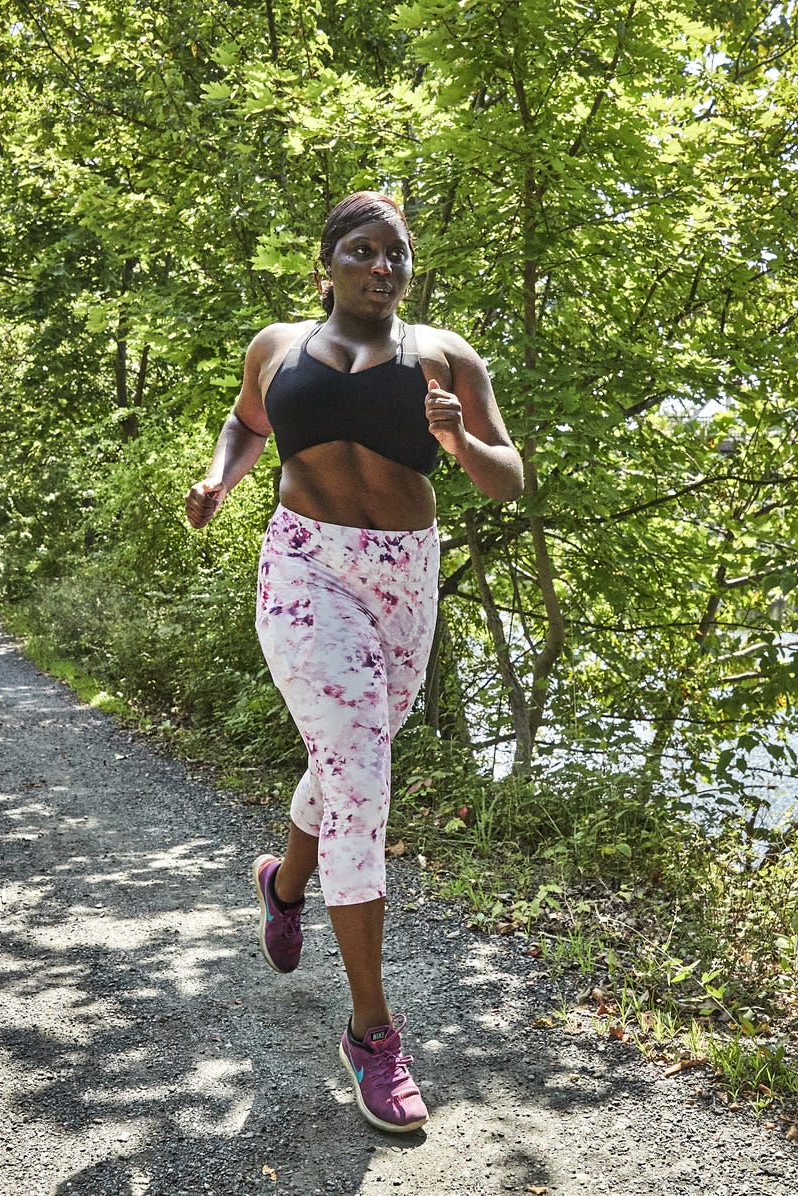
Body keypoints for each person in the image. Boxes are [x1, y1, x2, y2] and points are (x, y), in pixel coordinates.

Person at [185, 191, 523, 1133]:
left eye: (398, 256)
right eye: (365, 252)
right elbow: (247, 423)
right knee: (362, 779)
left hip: (403, 579)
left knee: (349, 760)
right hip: (304, 567)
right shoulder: (277, 347)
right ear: (327, 262)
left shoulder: (446, 357)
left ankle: (283, 884)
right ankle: (373, 1034)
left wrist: (455, 437)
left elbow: (509, 476)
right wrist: (223, 478)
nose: (383, 267)